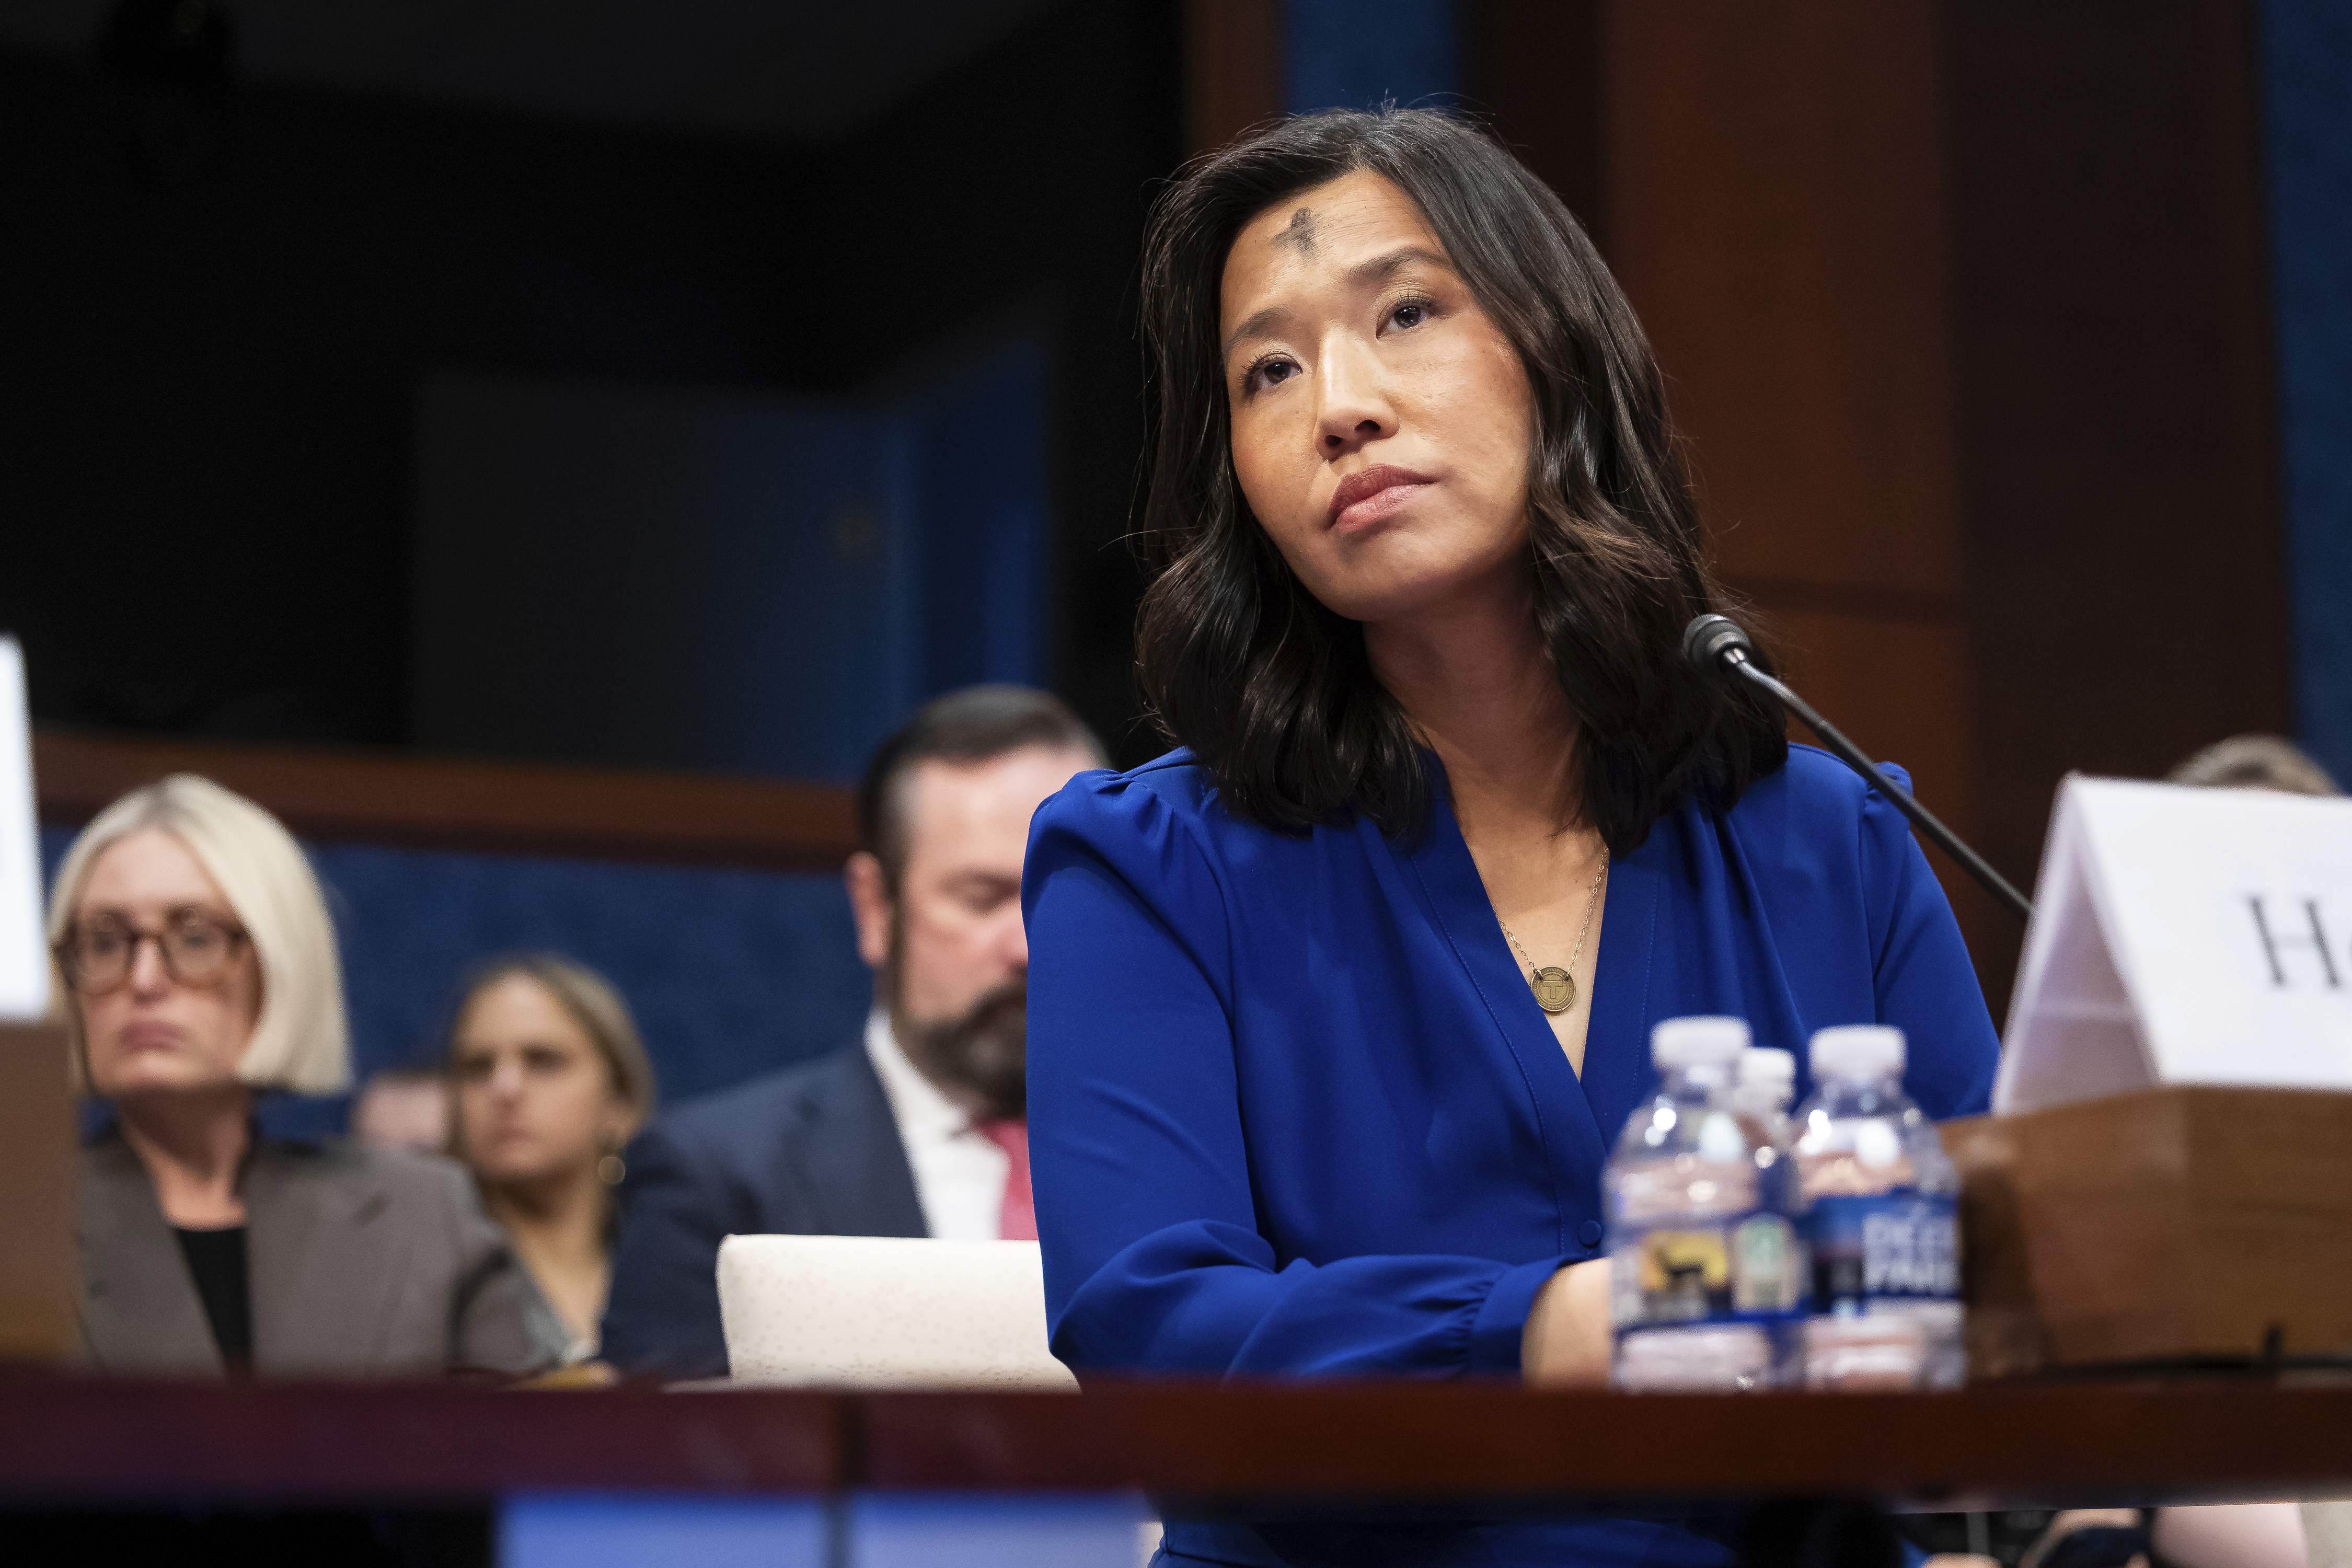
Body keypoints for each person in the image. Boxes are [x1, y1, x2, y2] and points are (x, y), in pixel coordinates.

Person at [1022, 109, 2002, 1566]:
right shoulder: (1146, 866)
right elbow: (1151, 1331)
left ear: (1556, 353)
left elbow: (2000, 1291)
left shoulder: (1832, 839)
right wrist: (1546, 1325)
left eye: (1404, 313)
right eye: (1267, 370)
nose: (1336, 406)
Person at [600, 685, 1104, 1377]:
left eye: (1064, 894)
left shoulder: (1219, 1165)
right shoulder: (719, 1183)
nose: (1025, 944)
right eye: (980, 899)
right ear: (875, 908)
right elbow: (663, 1469)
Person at [50, 774, 544, 1377]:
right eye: (104, 943)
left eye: (196, 937)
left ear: (280, 961)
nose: (145, 979)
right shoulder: (23, 1224)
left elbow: (530, 1459)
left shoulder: (426, 1217)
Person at [446, 955, 657, 1364]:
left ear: (619, 1103)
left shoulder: (670, 1257)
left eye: (543, 1061)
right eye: (477, 1068)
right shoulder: (428, 1267)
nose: (504, 1088)